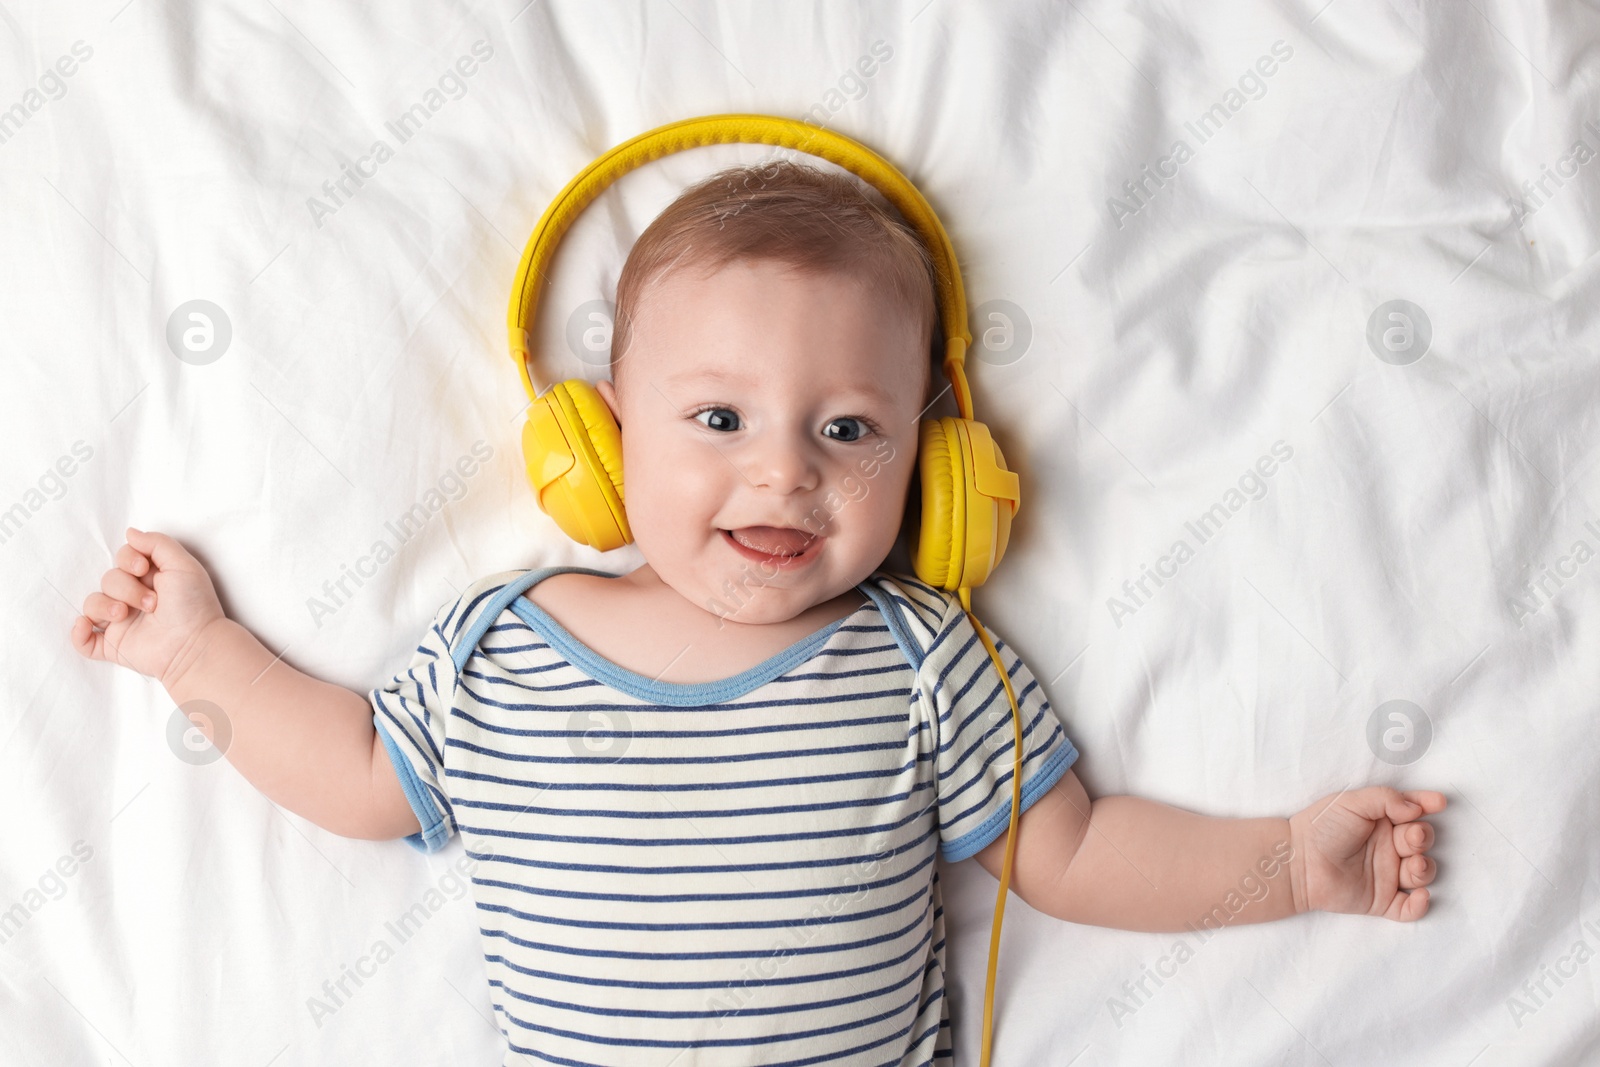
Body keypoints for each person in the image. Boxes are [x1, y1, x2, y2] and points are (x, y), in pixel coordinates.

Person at [71, 160, 1445, 1066]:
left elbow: (1072, 852)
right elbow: (362, 772)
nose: (783, 468)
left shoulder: (920, 658)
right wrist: (200, 652)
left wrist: (1291, 865)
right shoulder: (504, 647)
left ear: (934, 466)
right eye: (717, 417)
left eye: (850, 427)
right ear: (602, 447)